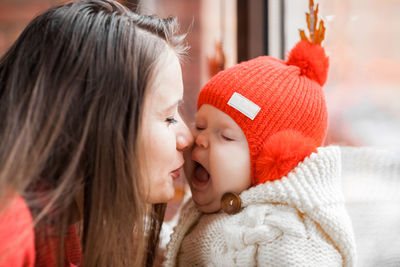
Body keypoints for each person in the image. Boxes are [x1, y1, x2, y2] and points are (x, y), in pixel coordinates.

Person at [0, 0, 193, 266]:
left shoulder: (59, 231)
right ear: (93, 120)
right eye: (169, 117)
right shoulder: (10, 231)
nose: (187, 138)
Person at [164, 1, 356, 266]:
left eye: (226, 136)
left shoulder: (291, 236)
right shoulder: (205, 207)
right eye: (200, 126)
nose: (200, 139)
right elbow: (170, 249)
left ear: (274, 162)